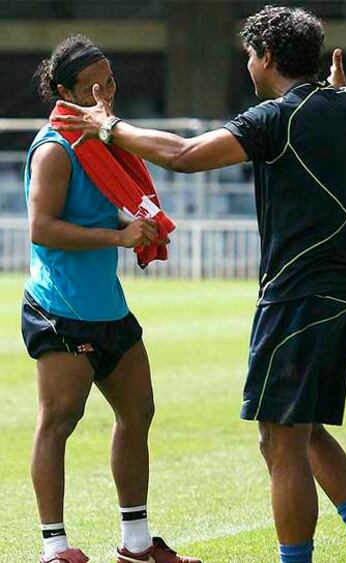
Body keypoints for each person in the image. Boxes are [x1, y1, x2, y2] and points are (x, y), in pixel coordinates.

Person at [53, 7, 346, 563]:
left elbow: (185, 156)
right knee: (305, 428)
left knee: (279, 438)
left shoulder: (278, 117)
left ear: (265, 57)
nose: (247, 62)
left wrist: (107, 126)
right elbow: (338, 128)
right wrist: (337, 96)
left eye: (249, 53)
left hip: (298, 294)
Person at [22, 34, 201, 563]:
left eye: (111, 81)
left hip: (108, 306)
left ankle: (137, 545)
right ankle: (55, 548)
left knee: (139, 411)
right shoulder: (56, 147)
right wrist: (118, 237)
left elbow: (96, 213)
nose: (105, 94)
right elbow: (42, 228)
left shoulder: (102, 140)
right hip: (61, 310)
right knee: (59, 422)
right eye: (92, 87)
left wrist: (133, 223)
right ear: (63, 92)